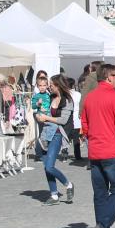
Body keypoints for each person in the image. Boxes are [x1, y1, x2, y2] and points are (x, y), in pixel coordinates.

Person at [80, 64, 115, 228]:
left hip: (95, 151)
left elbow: (84, 123)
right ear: (109, 77)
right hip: (112, 149)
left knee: (100, 192)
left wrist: (92, 137)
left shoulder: (90, 97)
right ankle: (102, 226)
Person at [34, 76, 75, 206]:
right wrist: (39, 116)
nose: (49, 86)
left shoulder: (67, 101)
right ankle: (54, 194)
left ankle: (68, 184)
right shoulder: (49, 97)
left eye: (51, 84)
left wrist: (46, 118)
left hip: (58, 134)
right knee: (47, 166)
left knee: (49, 166)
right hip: (45, 133)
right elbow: (40, 111)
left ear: (58, 85)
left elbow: (63, 120)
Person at [66, 77, 84, 161]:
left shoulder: (65, 95)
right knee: (76, 138)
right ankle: (77, 155)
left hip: (67, 118)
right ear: (73, 85)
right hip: (77, 118)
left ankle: (64, 154)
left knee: (66, 137)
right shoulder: (78, 94)